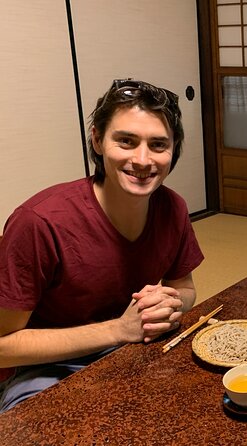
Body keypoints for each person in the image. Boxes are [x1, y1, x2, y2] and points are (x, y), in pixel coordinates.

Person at [0, 79, 204, 412]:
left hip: (141, 349)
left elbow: (185, 288)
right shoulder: (39, 222)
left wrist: (167, 304)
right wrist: (119, 329)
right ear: (97, 139)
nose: (142, 160)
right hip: (50, 369)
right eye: (126, 141)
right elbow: (2, 347)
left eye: (157, 145)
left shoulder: (173, 208)